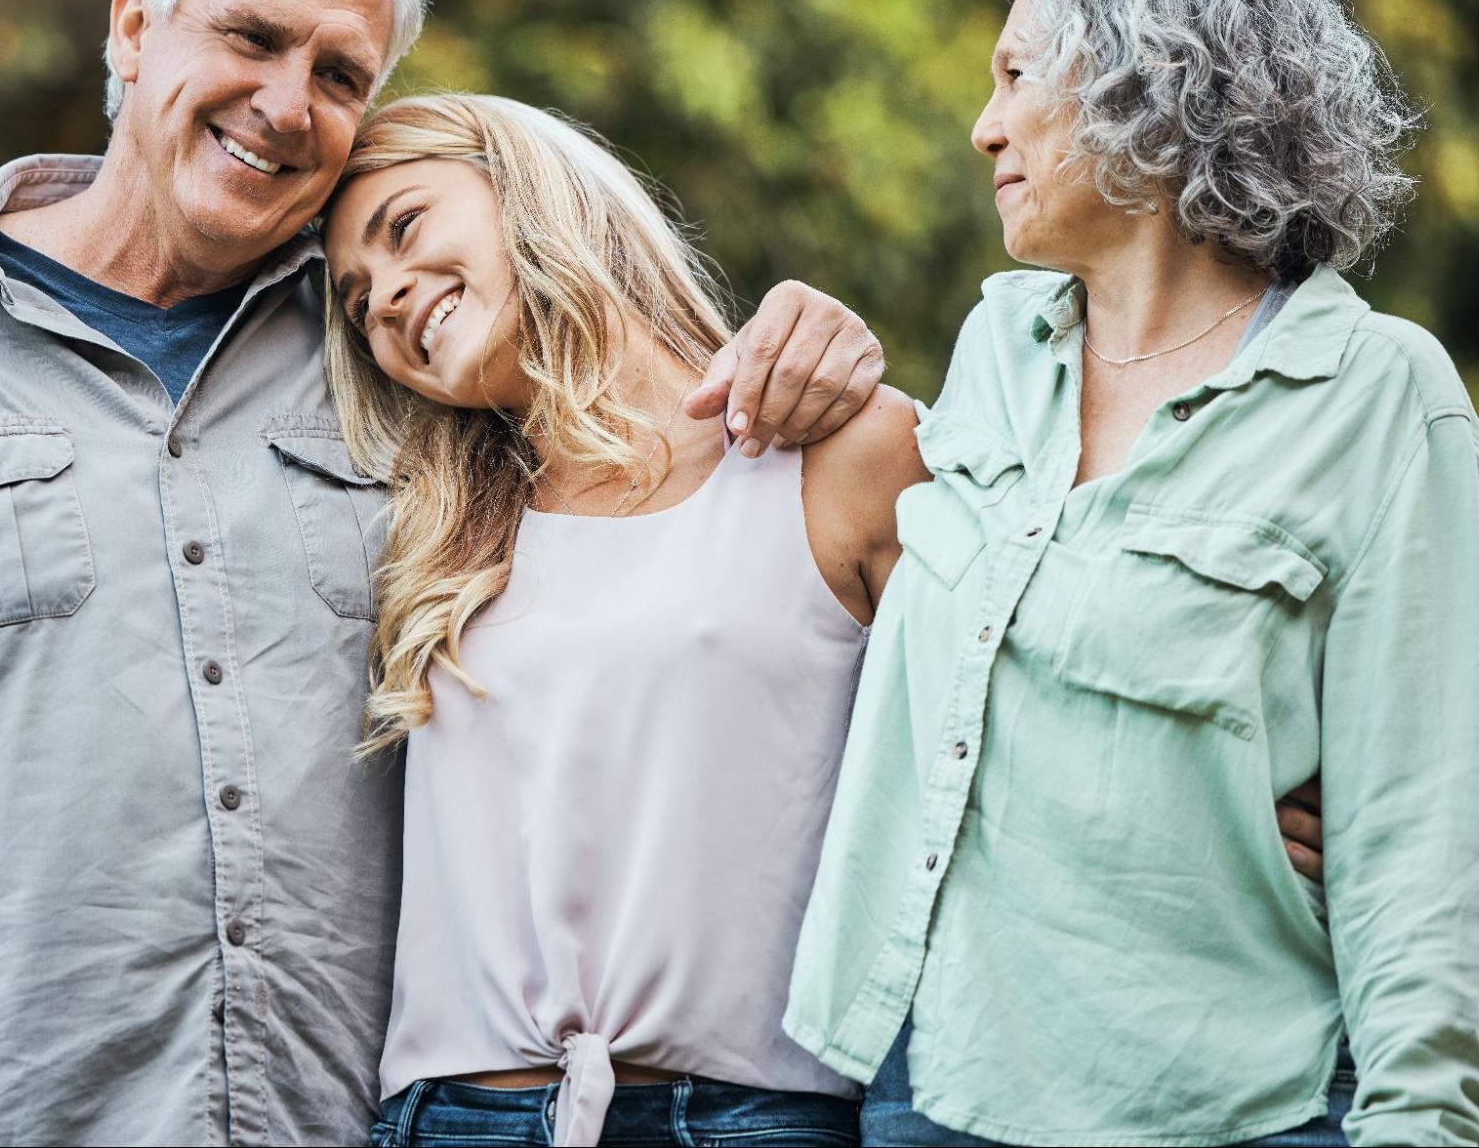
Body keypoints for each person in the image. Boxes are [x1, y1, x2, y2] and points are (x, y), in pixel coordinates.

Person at [0, 0, 883, 1147]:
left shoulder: (395, 371)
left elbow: (630, 509)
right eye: (251, 37)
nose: (286, 103)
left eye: (340, 76)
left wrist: (806, 341)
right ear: (133, 25)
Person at [318, 93, 1327, 1148]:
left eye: (405, 227)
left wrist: (1230, 793)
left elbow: (1035, 720)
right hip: (448, 1118)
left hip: (751, 1115)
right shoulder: (421, 531)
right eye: (354, 299)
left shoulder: (840, 455)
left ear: (527, 187)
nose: (385, 294)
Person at [784, 0, 1479, 1148]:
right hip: (928, 1084)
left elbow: (1425, 848)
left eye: (1016, 79)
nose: (981, 128)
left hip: (1230, 1104)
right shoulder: (995, 348)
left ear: (1145, 91)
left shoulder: (1382, 397)